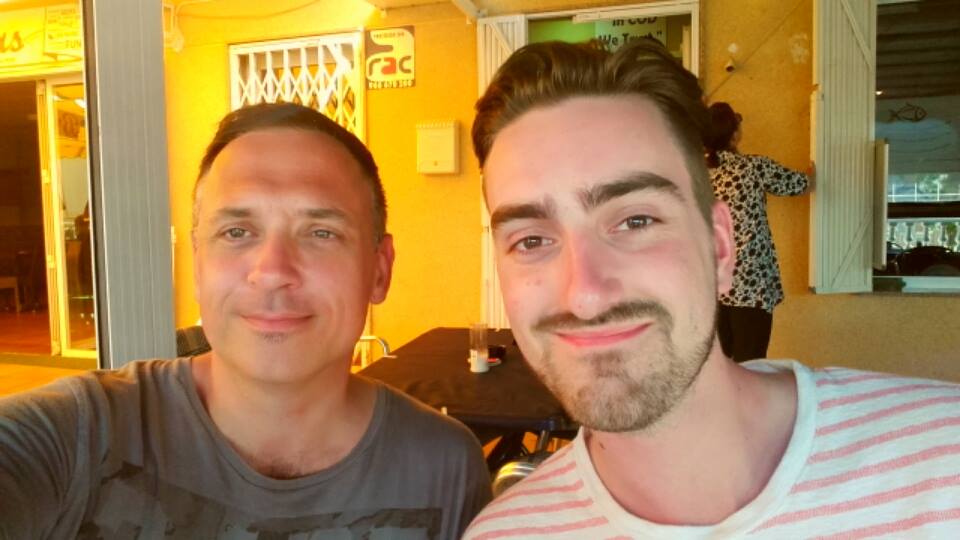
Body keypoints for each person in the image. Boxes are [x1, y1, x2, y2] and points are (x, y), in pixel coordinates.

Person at [464, 39, 960, 538]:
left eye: (636, 220)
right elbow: (798, 184)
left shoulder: (945, 462)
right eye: (531, 240)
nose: (586, 297)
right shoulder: (503, 533)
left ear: (720, 247)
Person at [0, 102, 491, 538]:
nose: (272, 271)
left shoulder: (445, 467)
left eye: (321, 232)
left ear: (379, 271)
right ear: (198, 265)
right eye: (237, 231)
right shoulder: (78, 437)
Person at [705, 101, 811, 362]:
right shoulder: (753, 167)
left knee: (721, 361)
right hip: (750, 283)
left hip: (713, 281)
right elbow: (800, 184)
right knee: (751, 361)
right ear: (734, 135)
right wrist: (812, 171)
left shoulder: (699, 175)